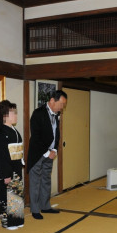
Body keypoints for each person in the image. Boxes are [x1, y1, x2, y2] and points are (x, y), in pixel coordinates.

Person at [27, 90, 67, 220]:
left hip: (51, 153)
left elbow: (56, 134)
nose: (62, 107)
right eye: (61, 104)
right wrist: (47, 152)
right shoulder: (38, 113)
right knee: (35, 182)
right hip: (38, 153)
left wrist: (55, 149)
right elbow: (36, 136)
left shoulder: (57, 114)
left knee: (46, 180)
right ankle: (35, 209)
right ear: (52, 101)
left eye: (64, 105)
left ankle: (45, 206)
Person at [0, 100, 24, 230]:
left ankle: (17, 220)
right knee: (6, 197)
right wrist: (5, 174)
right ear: (5, 115)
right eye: (13, 112)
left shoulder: (13, 131)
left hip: (15, 166)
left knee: (16, 195)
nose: (16, 115)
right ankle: (8, 222)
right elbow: (1, 156)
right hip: (6, 169)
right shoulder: (0, 134)